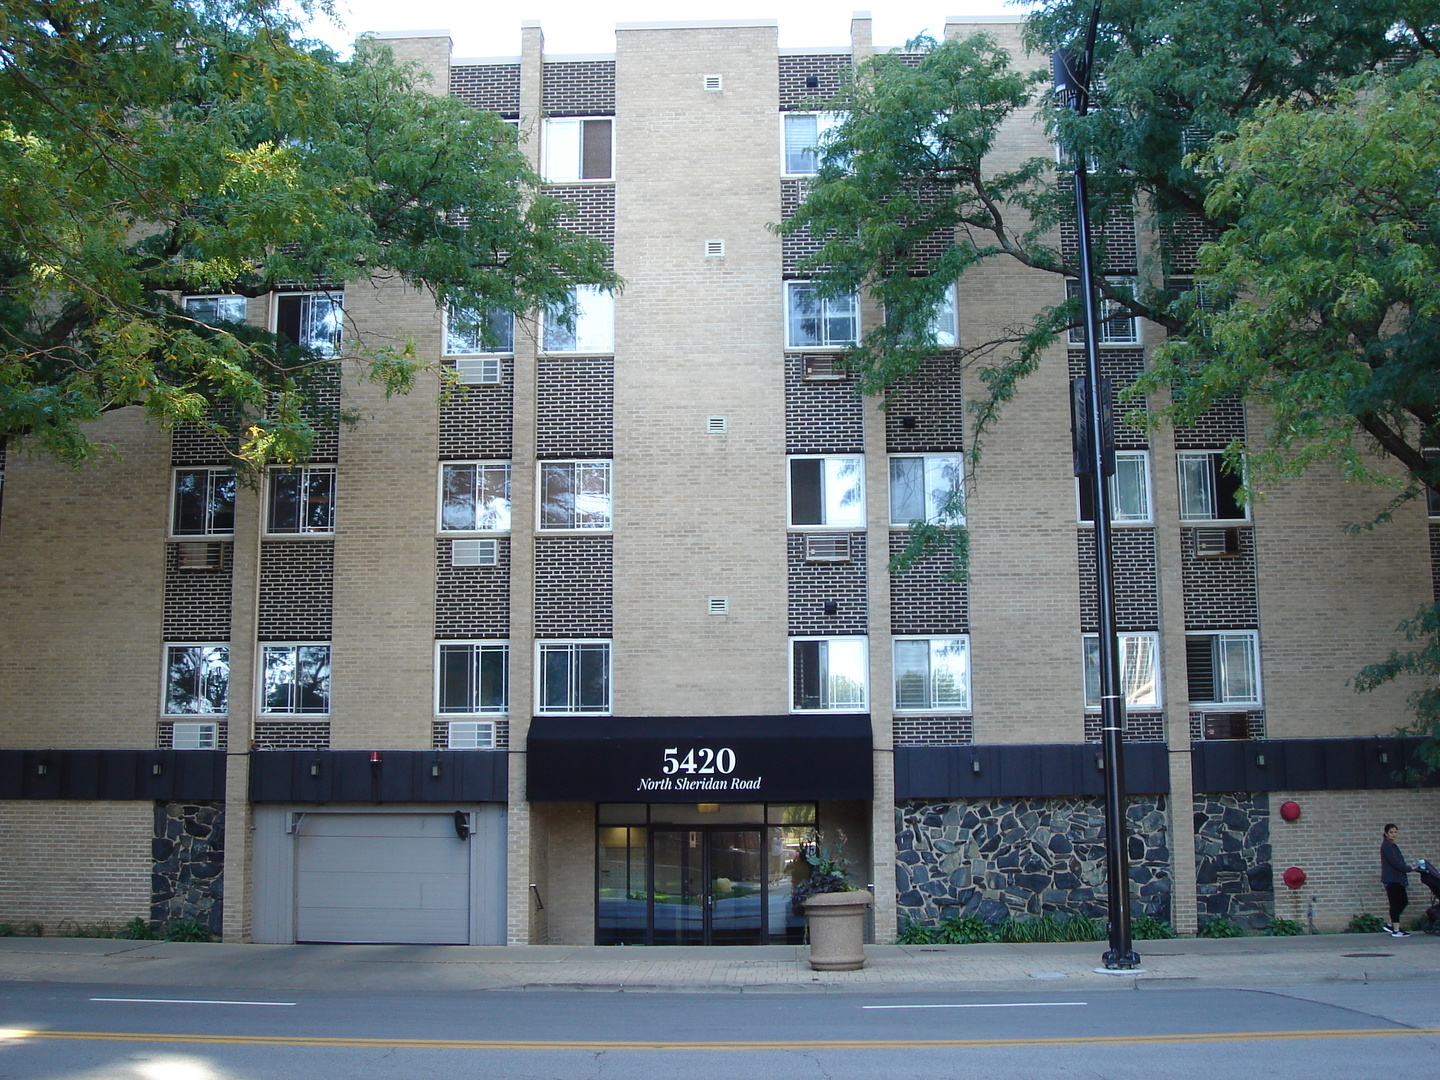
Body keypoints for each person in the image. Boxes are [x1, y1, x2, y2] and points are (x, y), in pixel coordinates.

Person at [1380, 823, 1415, 937]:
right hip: (1392, 879)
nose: (1394, 834)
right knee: (1395, 903)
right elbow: (1395, 863)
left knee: (1403, 901)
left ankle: (1392, 925)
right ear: (1385, 833)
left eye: (1395, 832)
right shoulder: (1386, 846)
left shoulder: (1392, 845)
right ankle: (1396, 930)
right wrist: (1410, 868)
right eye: (1391, 832)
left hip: (1397, 879)